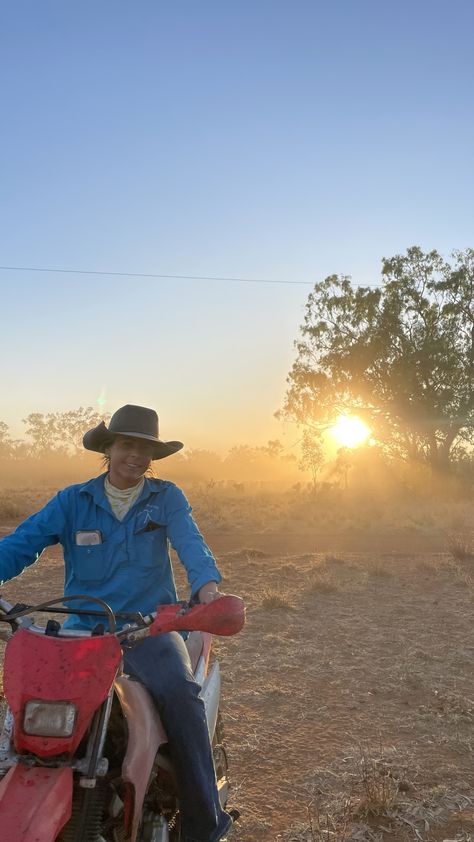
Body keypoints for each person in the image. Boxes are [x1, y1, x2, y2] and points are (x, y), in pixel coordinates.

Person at [0, 404, 234, 842]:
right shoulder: (74, 500)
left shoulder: (165, 498)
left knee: (181, 697)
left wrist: (207, 594)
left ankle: (204, 825)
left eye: (146, 449)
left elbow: (192, 545)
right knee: (19, 712)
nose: (137, 456)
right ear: (108, 448)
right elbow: (21, 544)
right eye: (128, 445)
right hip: (82, 634)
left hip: (148, 630)